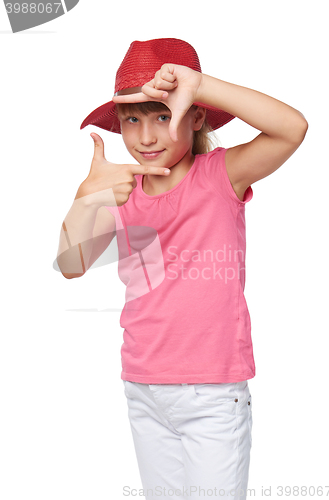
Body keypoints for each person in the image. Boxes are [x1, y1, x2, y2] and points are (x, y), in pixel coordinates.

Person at [57, 38, 308, 500]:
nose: (146, 137)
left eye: (162, 115)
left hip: (212, 391)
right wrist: (84, 198)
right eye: (133, 119)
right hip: (143, 385)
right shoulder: (120, 190)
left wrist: (201, 85)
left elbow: (292, 129)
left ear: (196, 117)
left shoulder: (220, 175)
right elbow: (71, 265)